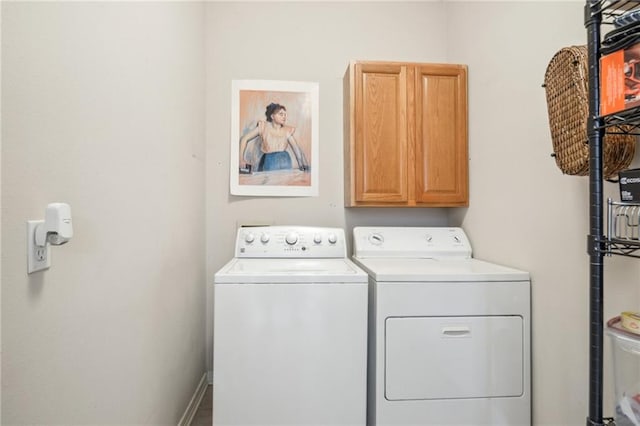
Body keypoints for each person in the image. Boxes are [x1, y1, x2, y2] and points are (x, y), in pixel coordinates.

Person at [239, 103, 309, 173]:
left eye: (285, 114)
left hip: (285, 161)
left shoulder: (287, 130)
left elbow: (296, 148)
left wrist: (301, 164)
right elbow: (244, 139)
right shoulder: (263, 127)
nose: (284, 117)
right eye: (281, 114)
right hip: (269, 162)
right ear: (272, 116)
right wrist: (241, 159)